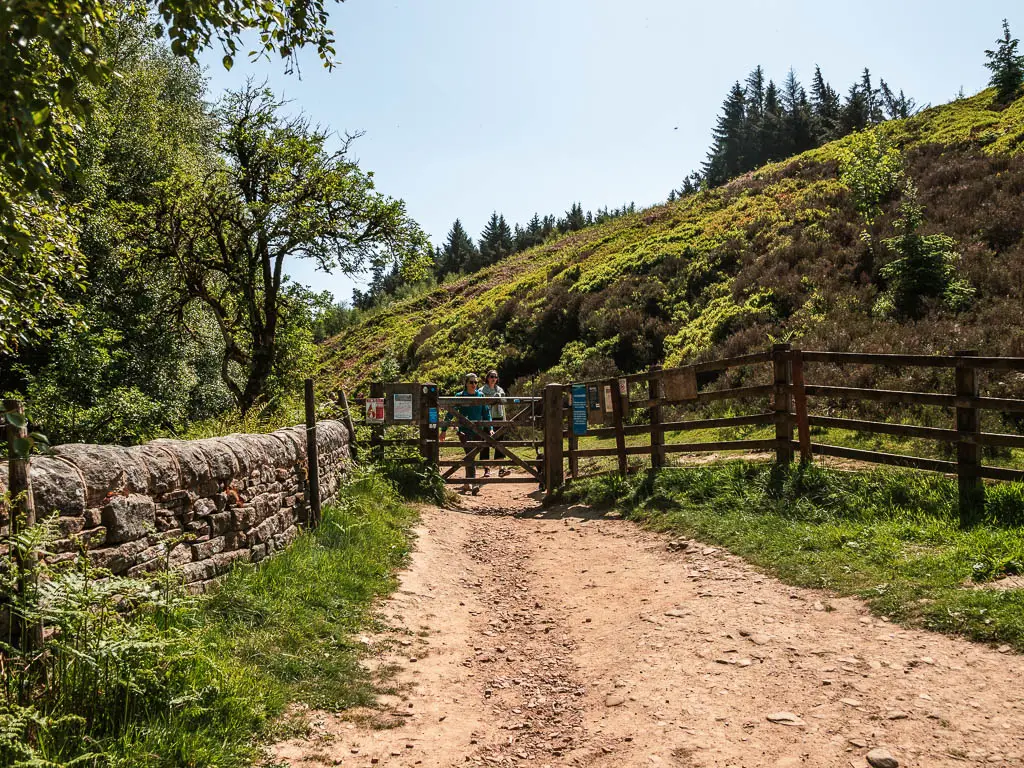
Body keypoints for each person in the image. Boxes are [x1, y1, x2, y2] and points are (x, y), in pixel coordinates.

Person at [441, 373, 491, 493]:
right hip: (464, 431)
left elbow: (486, 414)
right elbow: (450, 413)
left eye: (475, 382)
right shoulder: (459, 396)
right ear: (466, 383)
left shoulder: (481, 396)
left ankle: (468, 482)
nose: (474, 385)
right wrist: (443, 430)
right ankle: (473, 483)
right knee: (470, 455)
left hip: (478, 431)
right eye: (471, 382)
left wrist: (490, 428)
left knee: (471, 456)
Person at [480, 369, 509, 477]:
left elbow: (504, 402)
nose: (493, 379)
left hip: (499, 418)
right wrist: (493, 399)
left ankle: (501, 468)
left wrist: (504, 420)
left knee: (499, 443)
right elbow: (481, 404)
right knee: (485, 443)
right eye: (491, 376)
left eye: (495, 377)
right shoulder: (482, 390)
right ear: (487, 378)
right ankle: (486, 469)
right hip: (487, 418)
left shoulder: (500, 390)